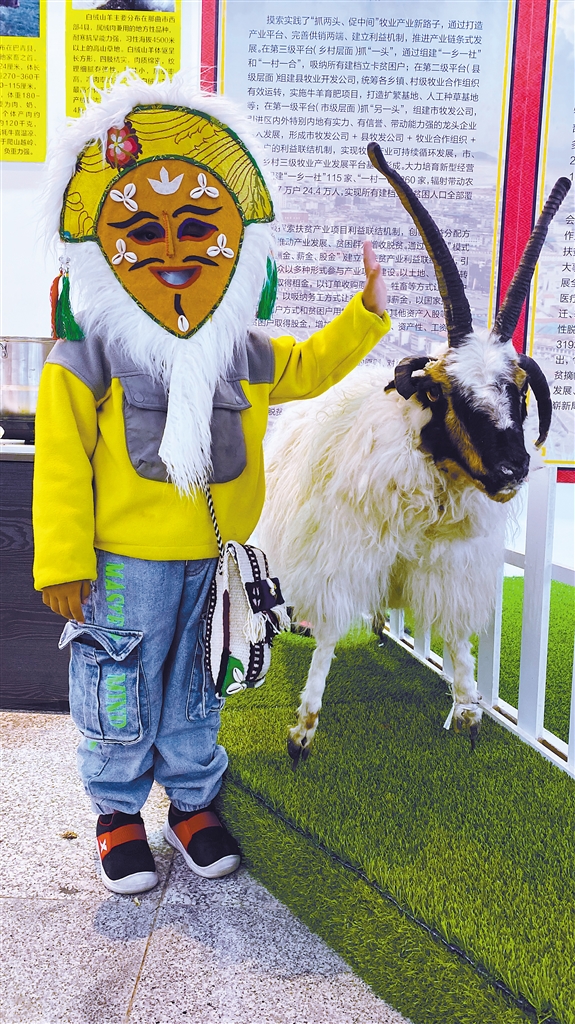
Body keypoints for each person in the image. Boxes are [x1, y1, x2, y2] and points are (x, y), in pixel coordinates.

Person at [33, 71, 390, 895]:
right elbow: (61, 458)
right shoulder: (88, 350)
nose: (173, 251)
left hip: (215, 561)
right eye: (142, 232)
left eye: (197, 228)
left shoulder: (241, 349)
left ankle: (192, 803)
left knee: (200, 684)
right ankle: (117, 813)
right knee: (118, 682)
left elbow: (309, 367)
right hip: (120, 565)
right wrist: (62, 559)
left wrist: (365, 313)